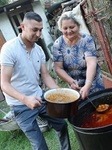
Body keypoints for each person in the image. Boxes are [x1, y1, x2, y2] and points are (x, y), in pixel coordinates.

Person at [0, 12, 71, 150]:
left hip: (40, 96)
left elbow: (45, 76)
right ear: (23, 27)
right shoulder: (9, 49)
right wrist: (26, 99)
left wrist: (60, 92)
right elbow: (4, 84)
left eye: (40, 30)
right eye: (35, 30)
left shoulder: (38, 50)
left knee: (61, 124)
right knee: (40, 146)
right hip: (19, 105)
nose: (39, 34)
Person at [52, 14, 105, 99]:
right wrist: (71, 81)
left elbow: (91, 63)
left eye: (72, 27)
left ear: (79, 26)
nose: (69, 31)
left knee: (102, 102)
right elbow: (58, 68)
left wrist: (88, 84)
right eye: (65, 28)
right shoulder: (58, 44)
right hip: (74, 83)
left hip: (93, 80)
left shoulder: (87, 39)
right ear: (61, 29)